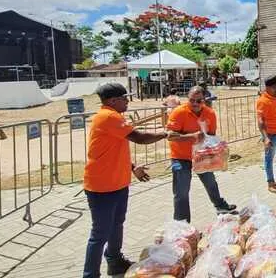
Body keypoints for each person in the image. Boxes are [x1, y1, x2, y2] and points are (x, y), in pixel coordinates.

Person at [83, 83, 175, 278]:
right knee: (99, 233)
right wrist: (165, 133)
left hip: (117, 182)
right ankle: (90, 274)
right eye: (125, 98)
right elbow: (139, 138)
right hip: (102, 186)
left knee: (117, 224)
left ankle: (114, 261)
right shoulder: (108, 116)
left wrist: (132, 167)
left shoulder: (113, 116)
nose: (128, 101)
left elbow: (112, 149)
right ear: (113, 100)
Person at [166, 86, 237, 221]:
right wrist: (192, 137)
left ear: (204, 100)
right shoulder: (178, 112)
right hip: (181, 157)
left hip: (201, 156)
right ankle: (182, 223)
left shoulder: (210, 113)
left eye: (199, 101)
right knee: (181, 192)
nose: (195, 104)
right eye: (191, 100)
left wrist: (217, 149)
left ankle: (220, 206)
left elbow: (211, 135)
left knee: (211, 182)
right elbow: (170, 136)